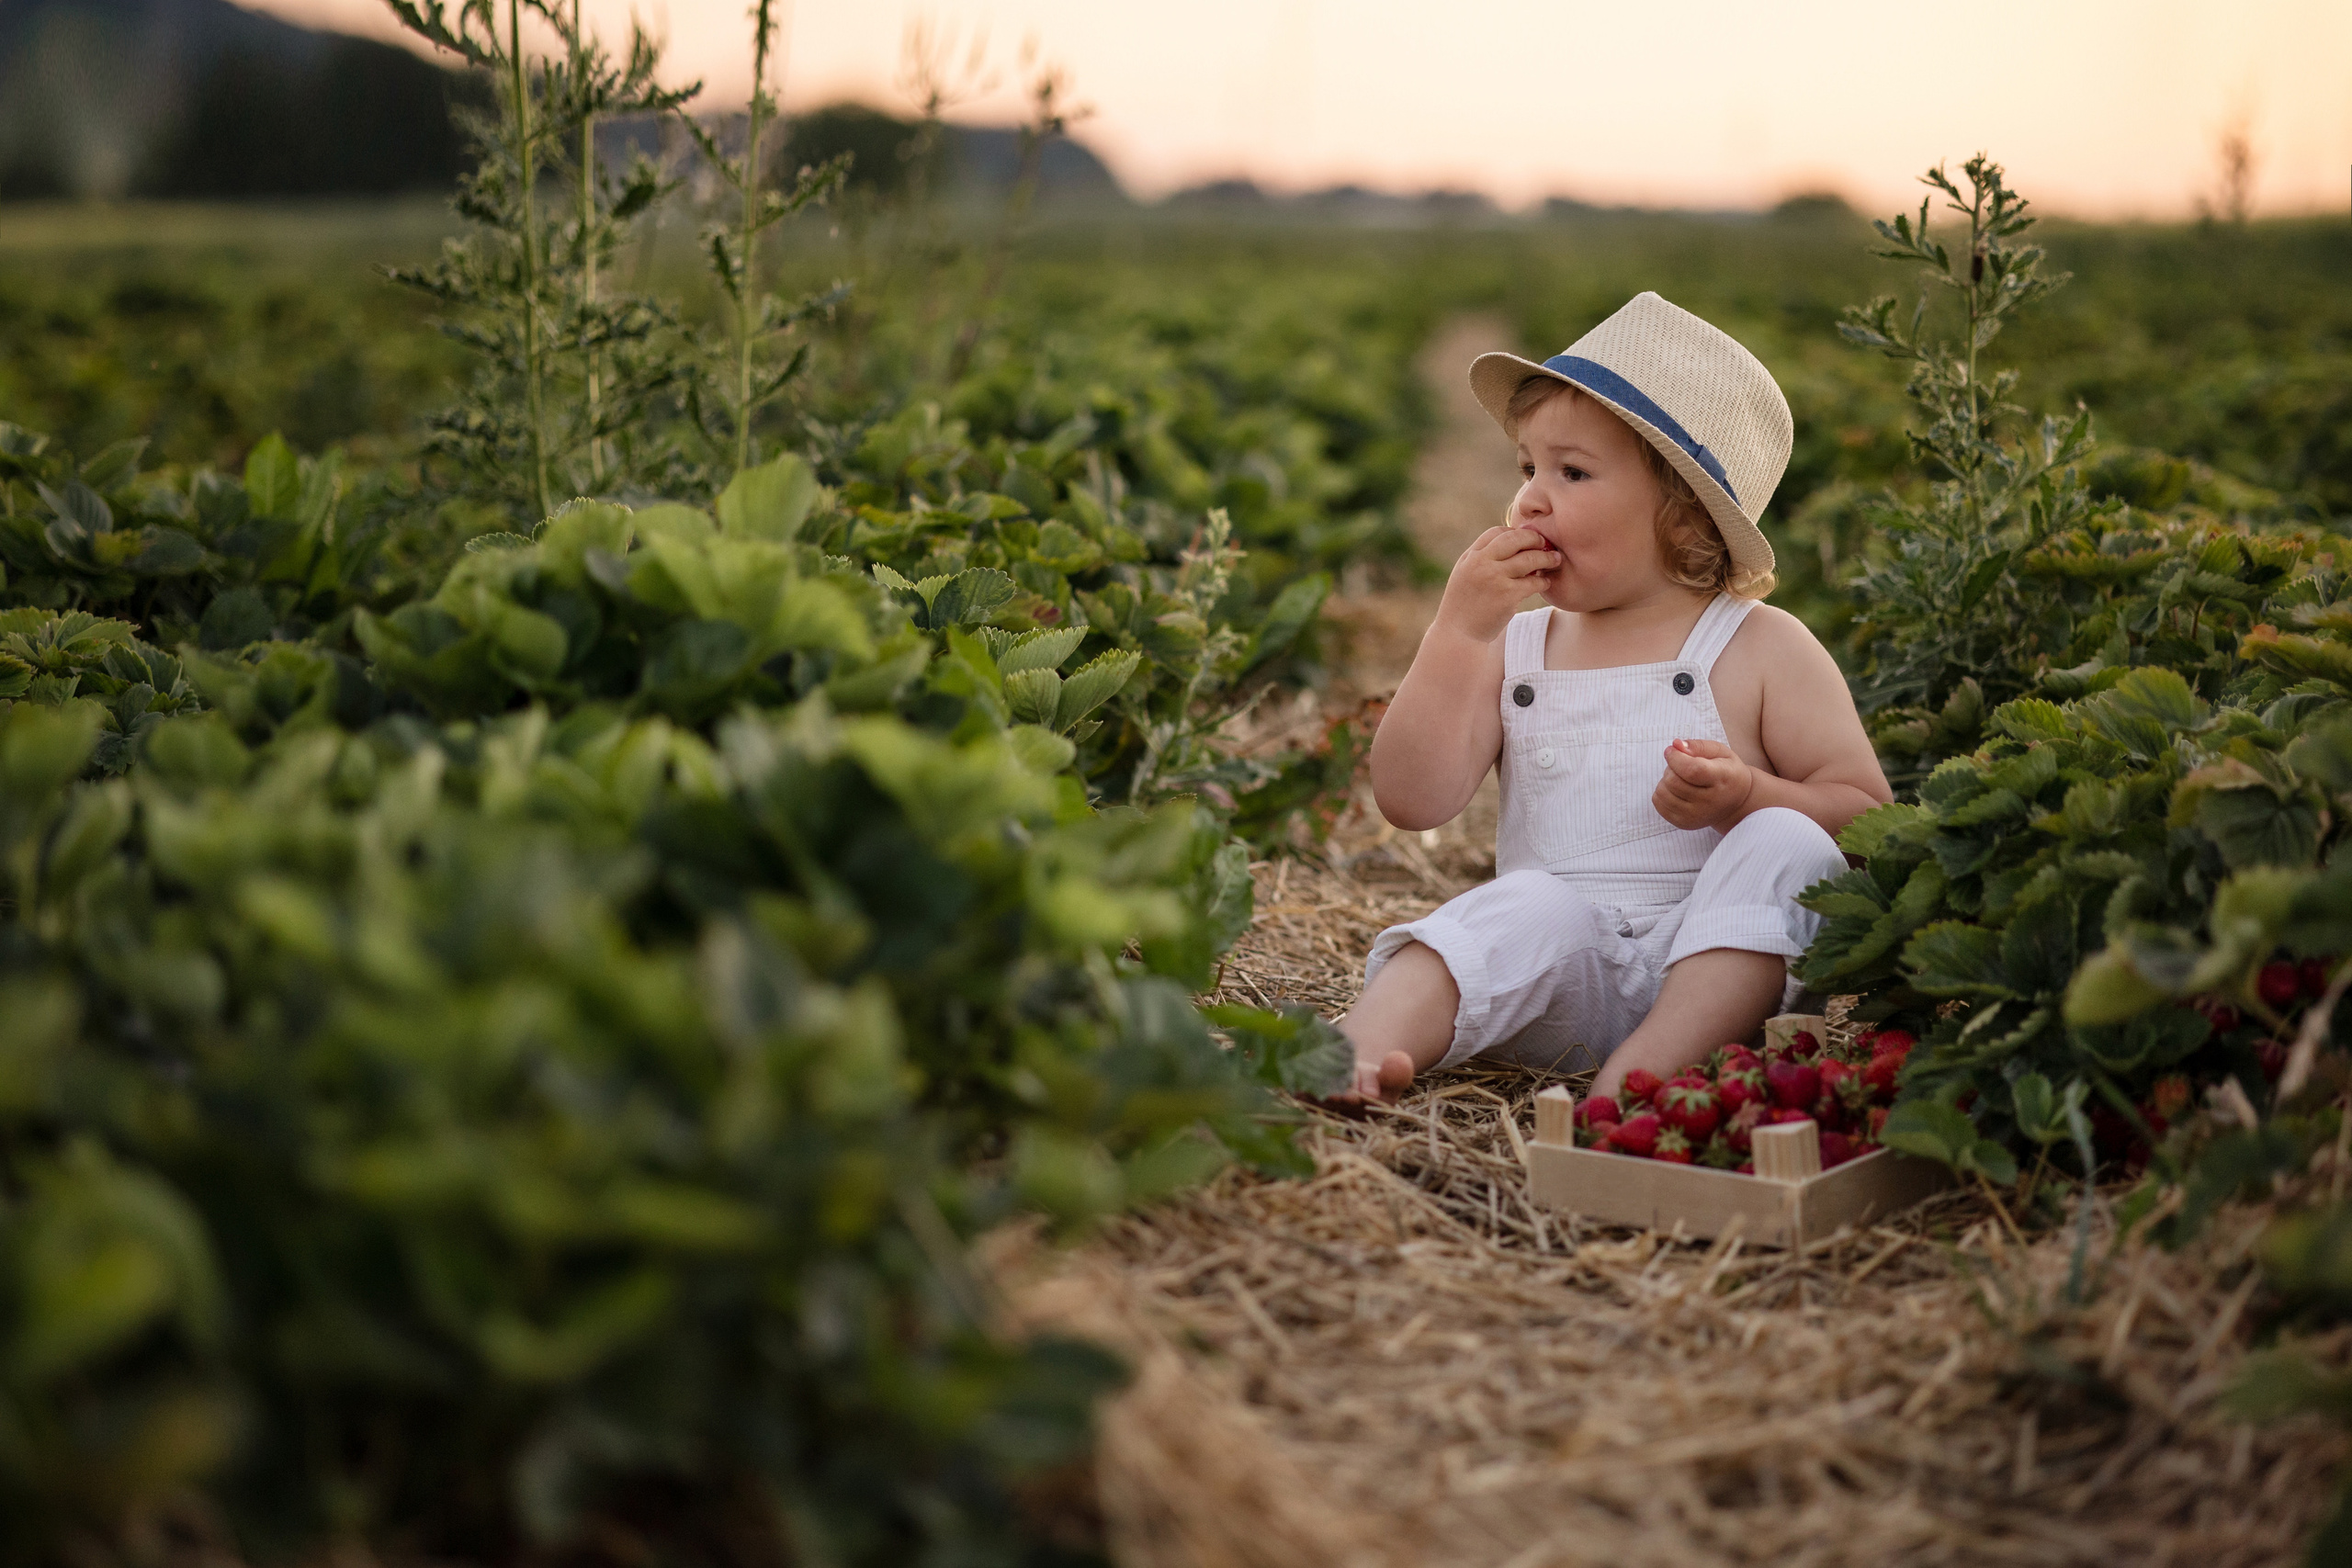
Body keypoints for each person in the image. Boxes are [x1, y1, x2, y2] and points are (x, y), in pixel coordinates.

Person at [1338, 292, 1891, 1106]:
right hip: (1564, 978)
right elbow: (1411, 799)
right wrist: (1458, 632)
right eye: (1528, 467)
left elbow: (1868, 821)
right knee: (1517, 905)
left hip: (1718, 978)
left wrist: (1749, 795)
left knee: (1787, 839)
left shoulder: (1763, 646)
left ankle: (1634, 1086)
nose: (1530, 497)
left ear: (1684, 514)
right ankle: (1355, 1047)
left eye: (1572, 472)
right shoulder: (1515, 645)